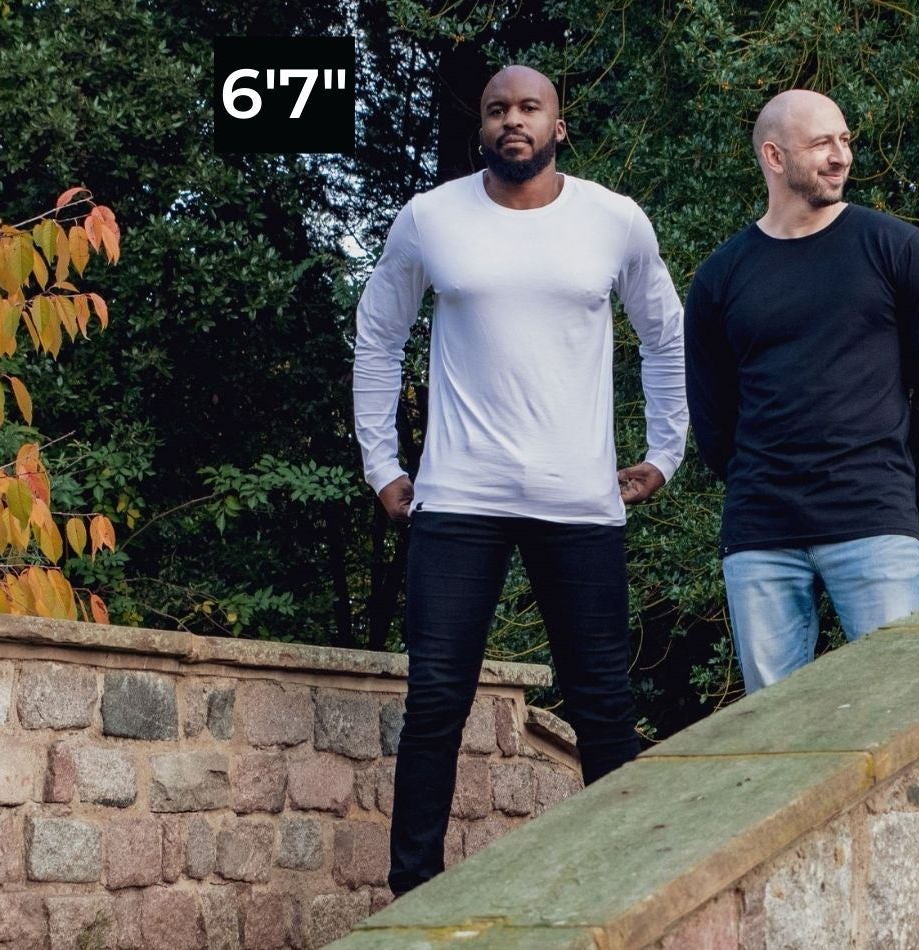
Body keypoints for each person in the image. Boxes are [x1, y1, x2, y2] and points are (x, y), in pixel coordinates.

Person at [350, 64, 681, 894]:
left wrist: (667, 451)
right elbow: (378, 336)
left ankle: (634, 893)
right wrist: (382, 463)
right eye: (498, 108)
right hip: (459, 499)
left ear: (557, 125)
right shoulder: (431, 218)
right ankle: (411, 898)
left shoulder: (614, 220)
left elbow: (666, 334)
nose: (513, 121)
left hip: (579, 500)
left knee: (603, 705)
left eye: (530, 108)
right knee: (435, 704)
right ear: (483, 127)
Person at [685, 89, 919, 692]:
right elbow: (712, 421)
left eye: (845, 140)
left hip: (874, 525)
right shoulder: (720, 277)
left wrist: (891, 489)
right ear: (774, 156)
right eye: (821, 143)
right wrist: (759, 485)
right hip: (761, 535)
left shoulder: (895, 249)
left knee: (900, 714)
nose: (840, 156)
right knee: (773, 732)